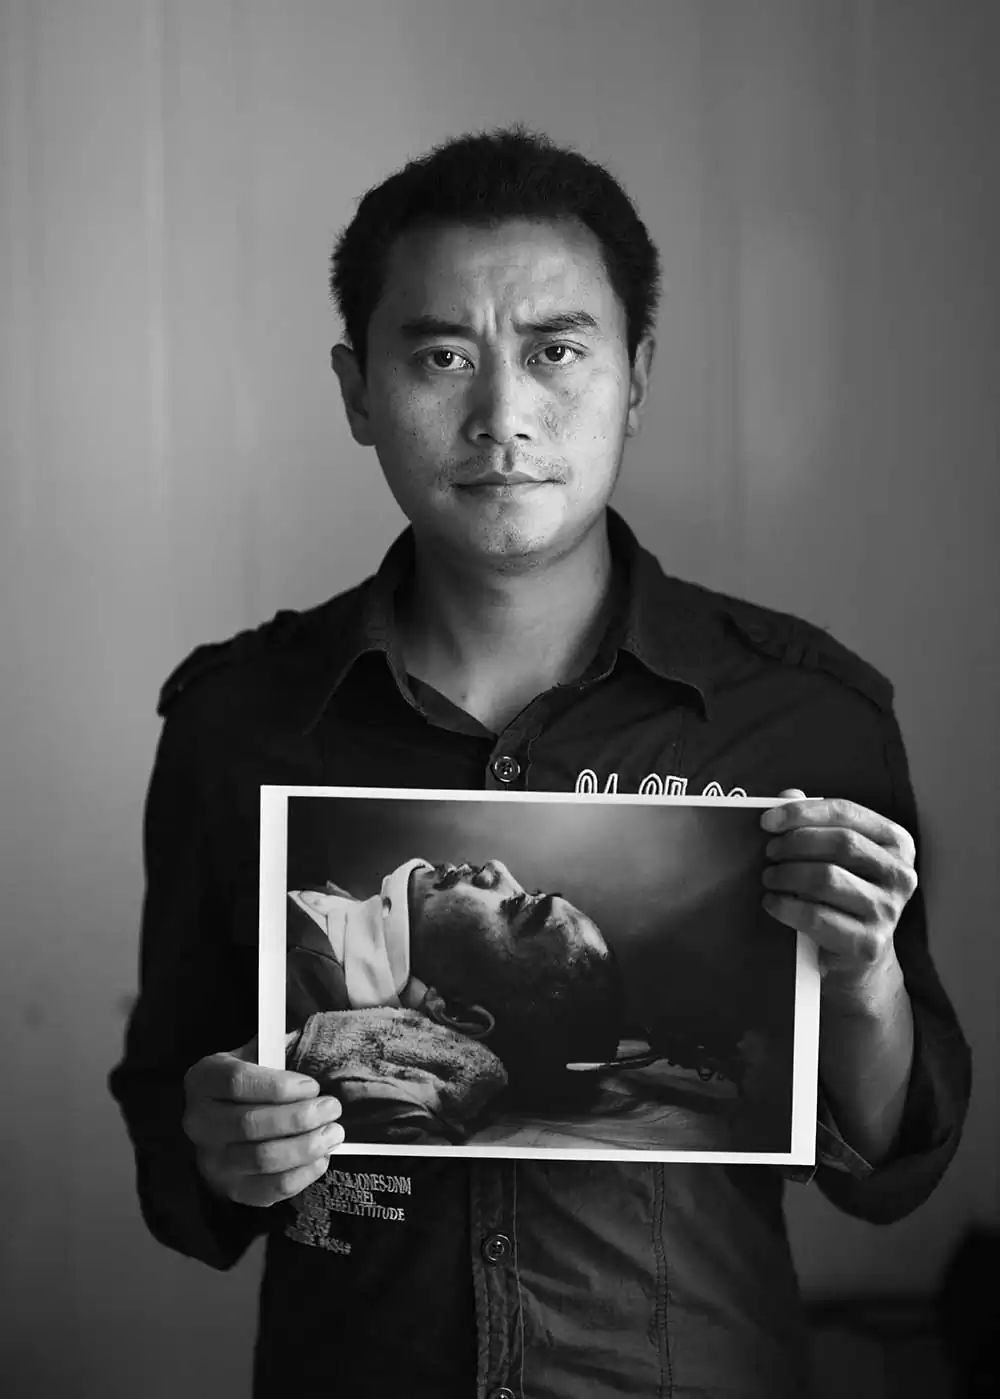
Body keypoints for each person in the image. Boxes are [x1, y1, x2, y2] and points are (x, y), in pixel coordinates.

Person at [109, 126, 971, 1399]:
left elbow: (892, 1170)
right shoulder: (239, 722)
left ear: (636, 376)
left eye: (556, 351)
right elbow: (176, 1160)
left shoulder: (804, 716)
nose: (502, 417)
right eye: (440, 356)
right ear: (357, 392)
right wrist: (218, 1140)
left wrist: (862, 983)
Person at [285, 856, 625, 1095]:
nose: (495, 869)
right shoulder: (325, 896)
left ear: (458, 1013)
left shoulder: (281, 978)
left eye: (516, 907)